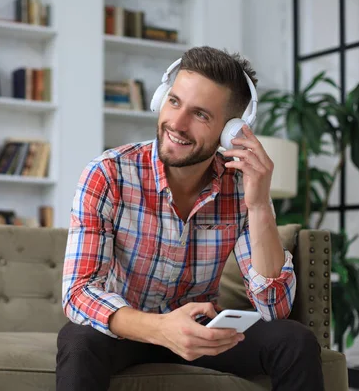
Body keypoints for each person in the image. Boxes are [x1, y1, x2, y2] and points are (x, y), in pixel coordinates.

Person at [56, 46, 324, 391]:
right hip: (126, 328)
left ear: (231, 132)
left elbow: (275, 307)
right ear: (160, 99)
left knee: (294, 340)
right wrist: (162, 328)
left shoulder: (241, 189)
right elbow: (78, 292)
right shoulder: (107, 174)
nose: (177, 124)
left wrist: (258, 206)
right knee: (78, 341)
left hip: (202, 333)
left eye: (201, 115)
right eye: (174, 102)